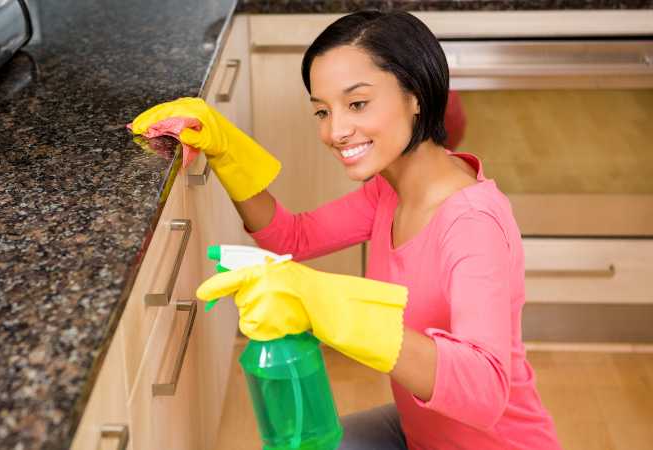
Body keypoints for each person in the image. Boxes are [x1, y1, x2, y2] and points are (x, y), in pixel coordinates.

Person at [130, 10, 561, 450]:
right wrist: (226, 150)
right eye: (322, 110)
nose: (335, 131)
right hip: (421, 434)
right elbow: (292, 238)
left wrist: (325, 305)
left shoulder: (471, 223)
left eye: (357, 104)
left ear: (417, 95)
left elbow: (484, 390)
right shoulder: (389, 190)